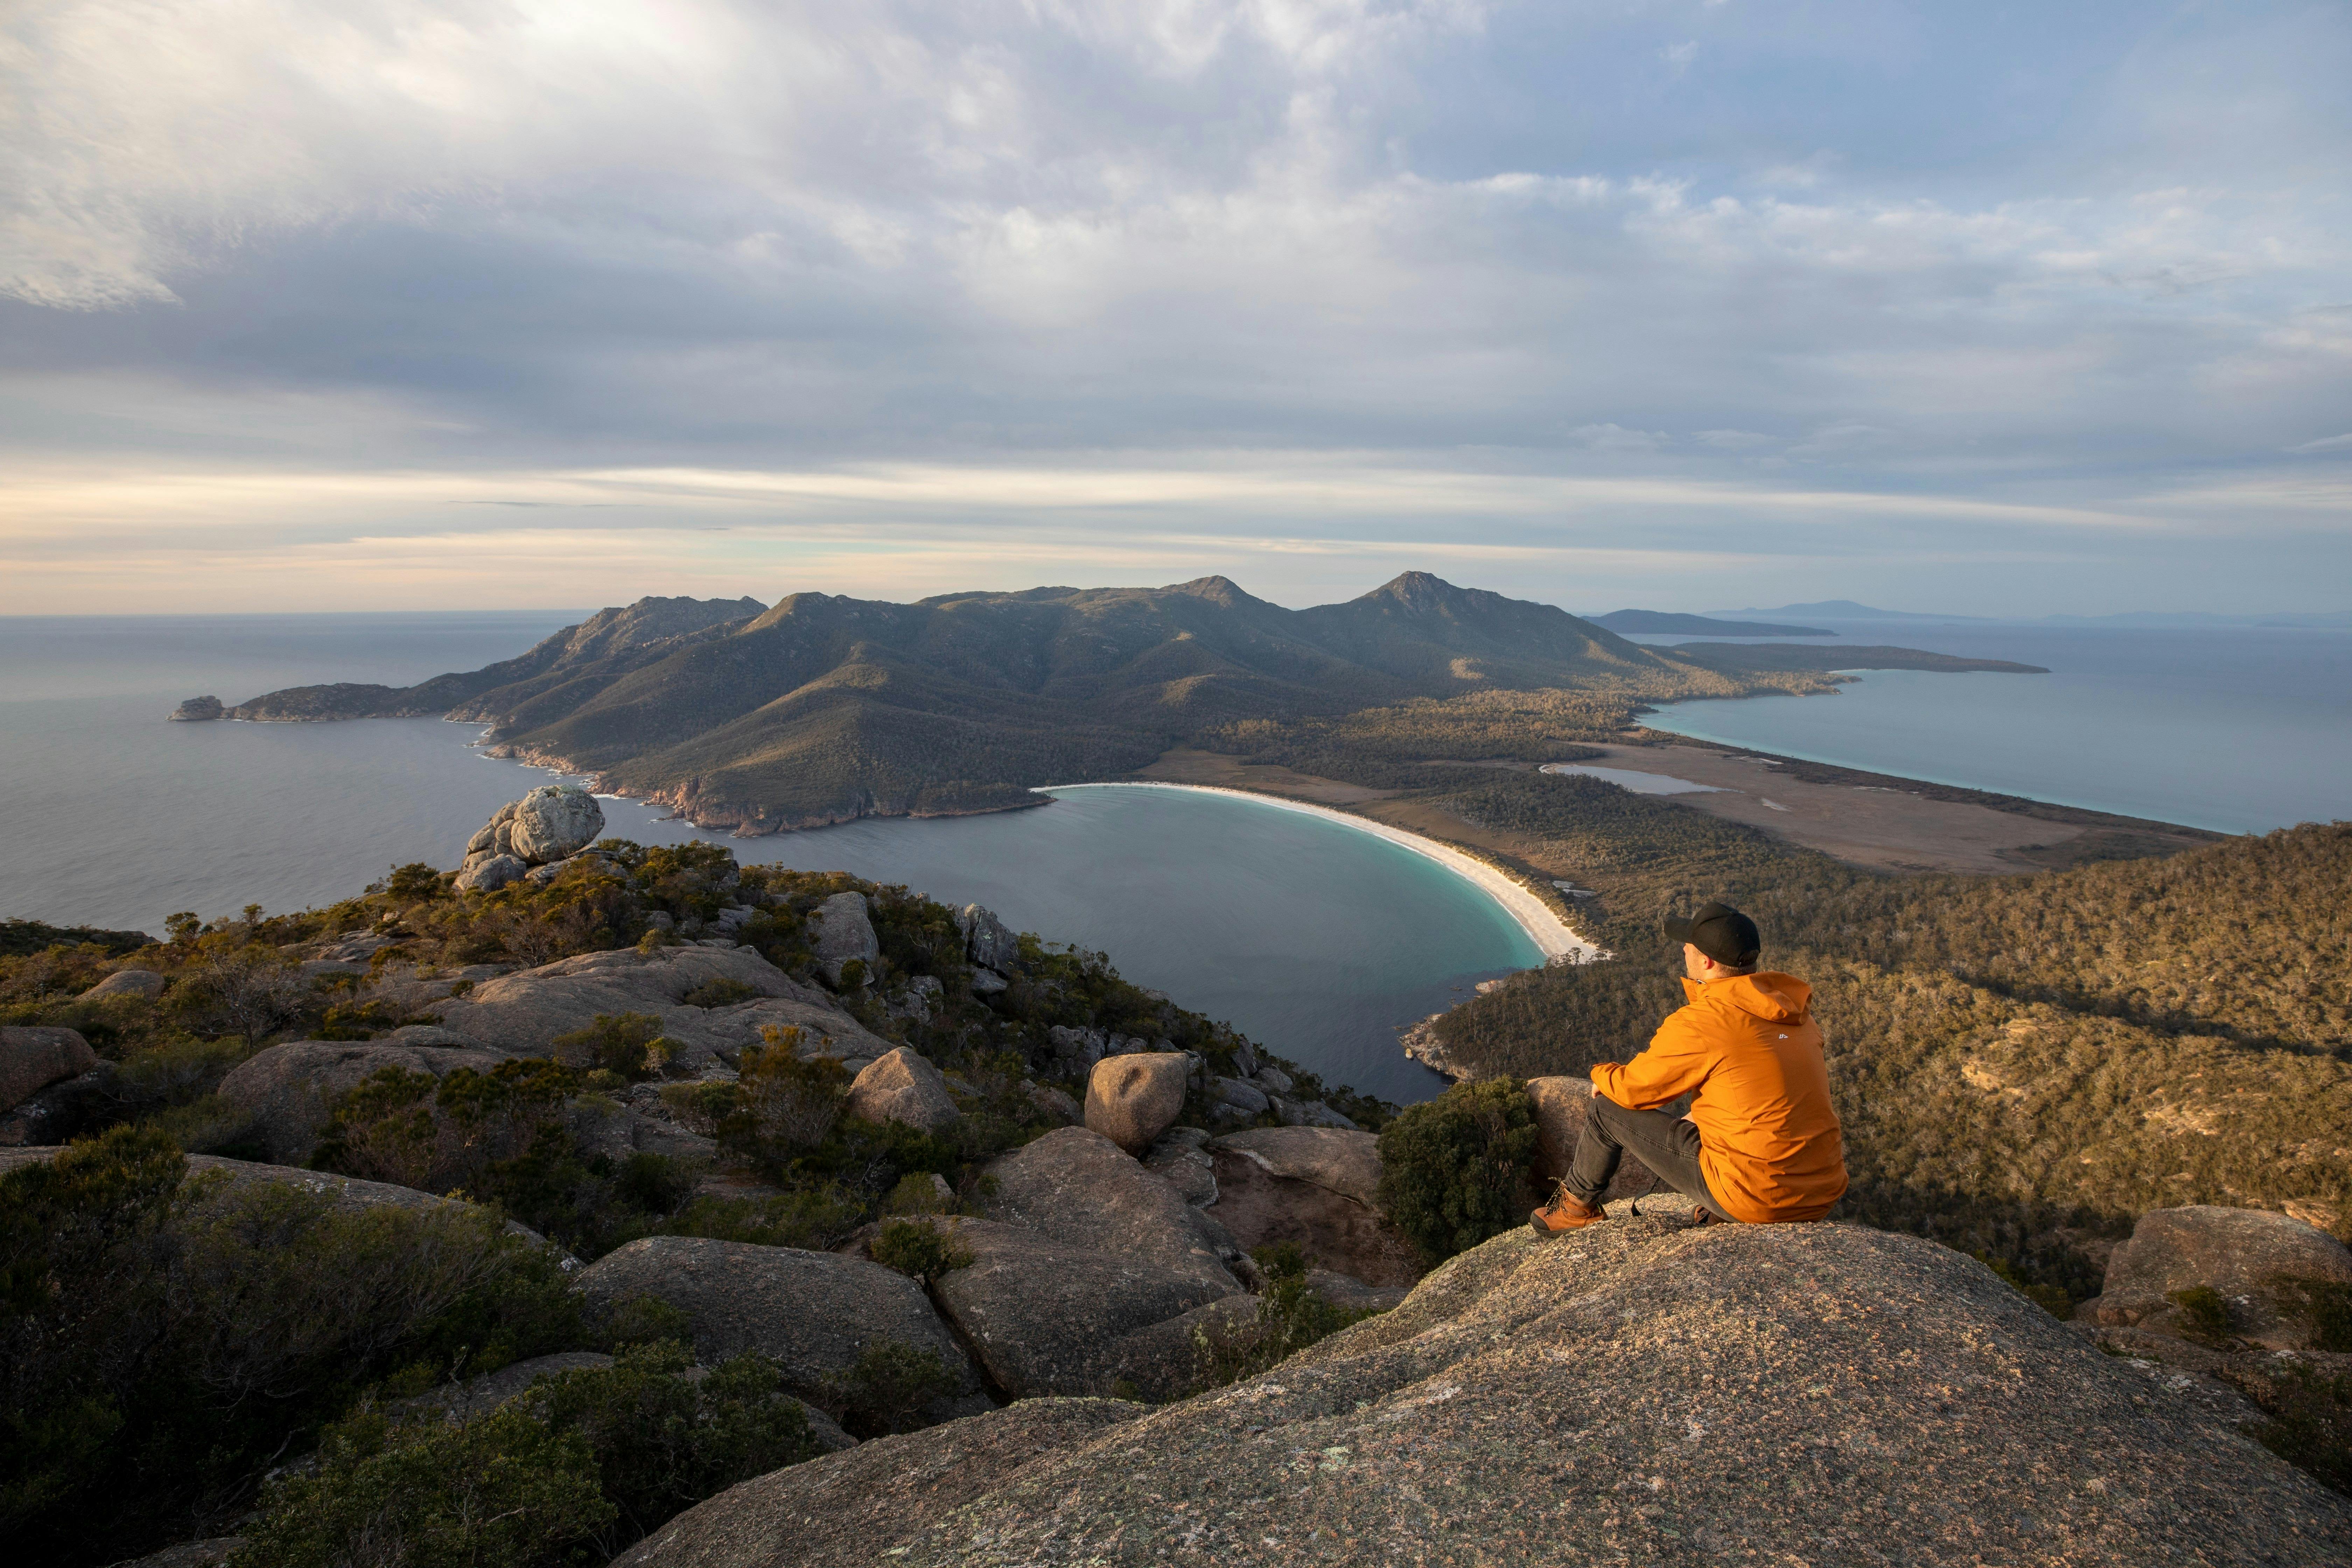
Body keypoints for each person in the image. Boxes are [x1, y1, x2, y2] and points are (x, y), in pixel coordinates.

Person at [1530, 900, 1846, 1234]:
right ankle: (1723, 1211)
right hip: (1821, 1193)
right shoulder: (1797, 1016)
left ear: (1706, 961)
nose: (1683, 949)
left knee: (1607, 1109)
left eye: (1688, 945)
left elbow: (1634, 1090)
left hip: (1759, 1197)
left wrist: (1601, 1075)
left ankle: (1576, 1208)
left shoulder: (1707, 1021)